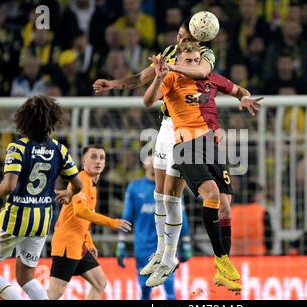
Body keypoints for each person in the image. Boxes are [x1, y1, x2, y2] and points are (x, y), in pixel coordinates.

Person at [93, 20, 258, 292]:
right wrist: (114, 84)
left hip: (200, 136)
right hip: (172, 128)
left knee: (201, 199)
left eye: (185, 38)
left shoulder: (205, 59)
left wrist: (241, 97)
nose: (179, 41)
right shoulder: (169, 60)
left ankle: (191, 259)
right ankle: (164, 253)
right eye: (179, 36)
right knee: (164, 193)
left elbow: (209, 74)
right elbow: (141, 83)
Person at [143, 41, 262, 291]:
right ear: (180, 60)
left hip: (210, 146)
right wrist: (158, 76)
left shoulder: (211, 79)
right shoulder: (172, 78)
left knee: (226, 208)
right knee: (211, 194)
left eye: (197, 60)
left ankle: (221, 268)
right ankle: (215, 259)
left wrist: (246, 98)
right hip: (185, 146)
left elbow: (240, 89)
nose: (194, 64)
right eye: (189, 60)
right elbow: (148, 100)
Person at [0, 96, 83, 300]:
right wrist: (69, 193)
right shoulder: (59, 149)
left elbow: (9, 185)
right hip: (42, 220)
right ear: (51, 121)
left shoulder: (18, 147)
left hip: (15, 218)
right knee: (25, 277)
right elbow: (78, 185)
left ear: (24, 120)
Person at [47, 144, 132, 300]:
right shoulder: (81, 180)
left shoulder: (92, 187)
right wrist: (112, 222)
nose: (98, 161)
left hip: (80, 245)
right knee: (55, 292)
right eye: (93, 157)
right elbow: (81, 212)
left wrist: (90, 243)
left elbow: (83, 221)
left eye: (101, 158)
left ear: (105, 163)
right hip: (67, 243)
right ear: (84, 161)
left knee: (100, 283)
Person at [115, 156, 192, 300]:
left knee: (169, 290)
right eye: (149, 159)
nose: (153, 162)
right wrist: (121, 243)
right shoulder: (135, 188)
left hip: (167, 249)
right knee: (144, 291)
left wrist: (186, 242)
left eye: (156, 158)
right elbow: (126, 217)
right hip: (143, 248)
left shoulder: (171, 187)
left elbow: (181, 216)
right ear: (143, 164)